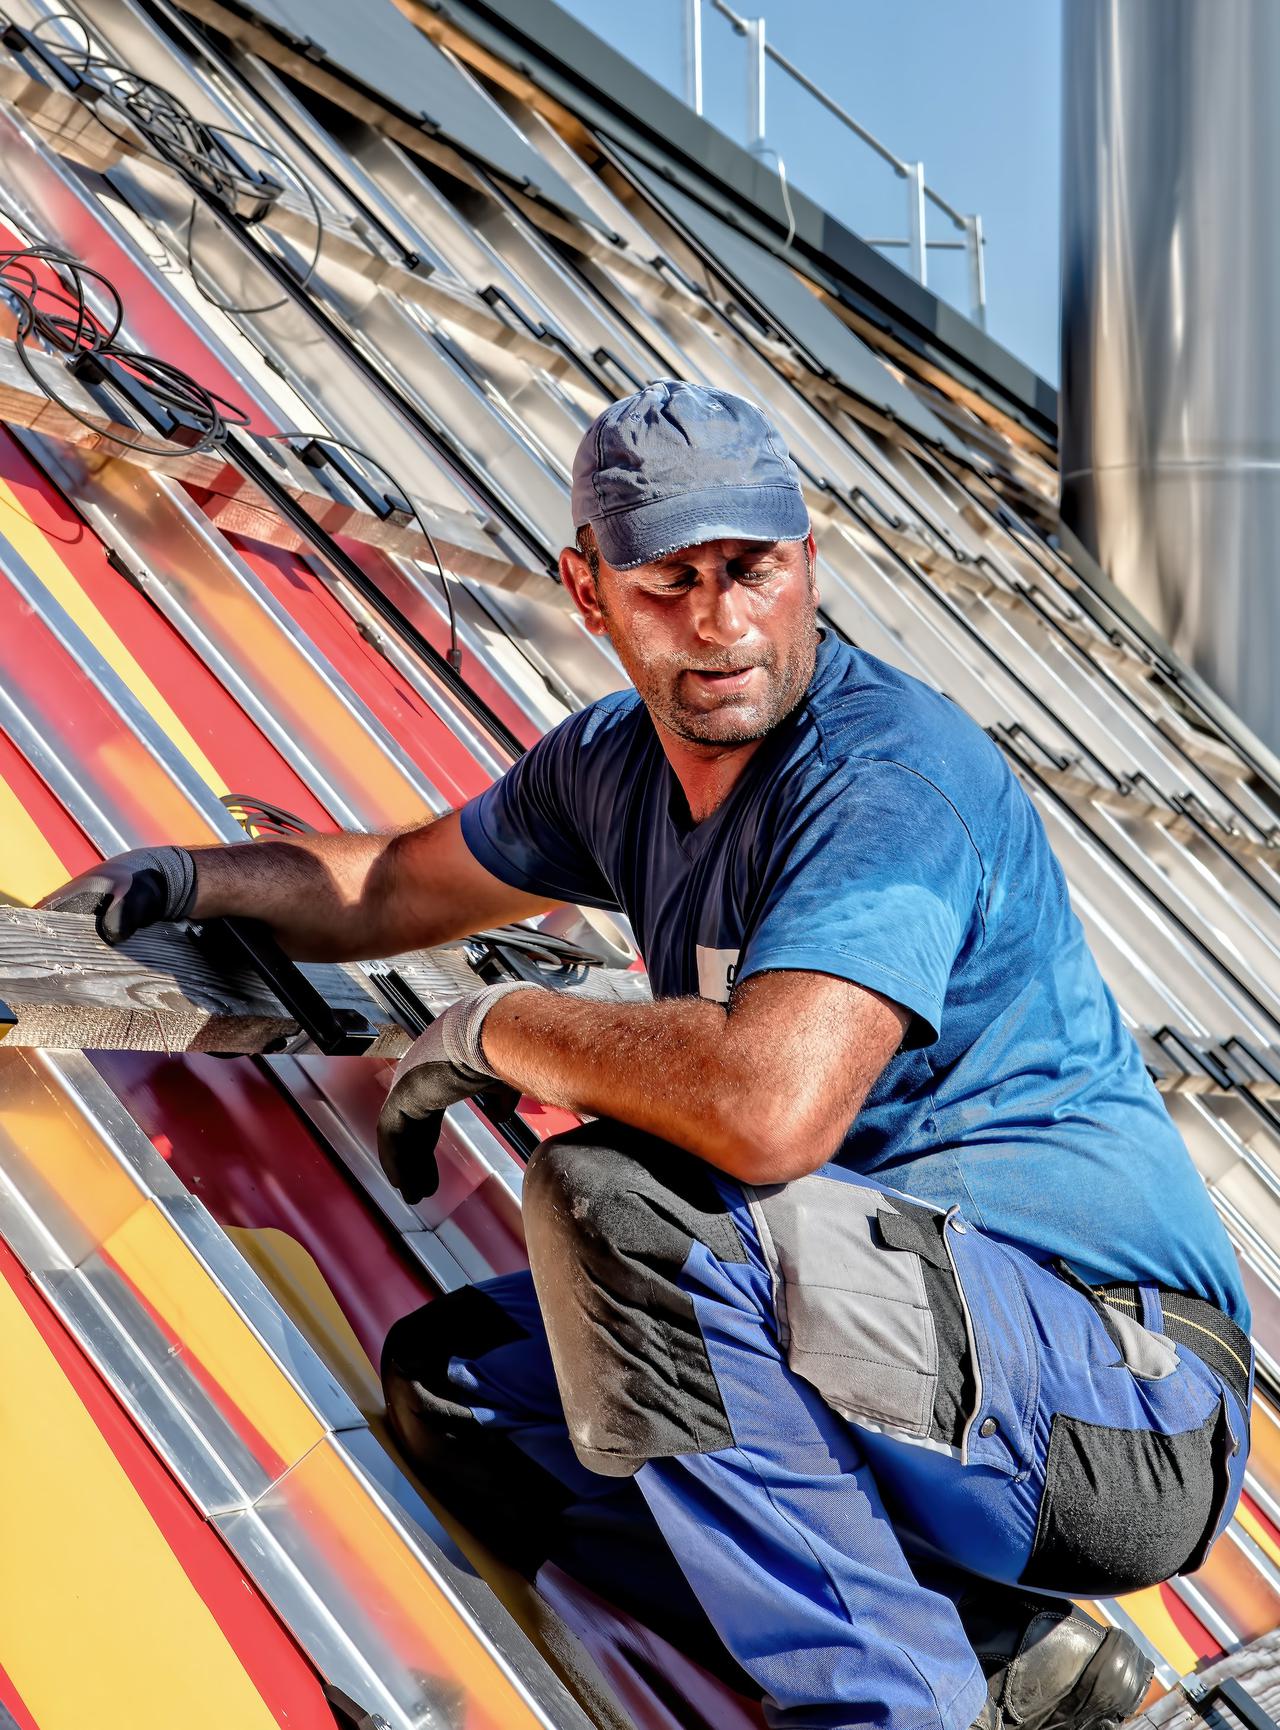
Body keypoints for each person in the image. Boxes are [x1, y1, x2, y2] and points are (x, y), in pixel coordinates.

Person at [43, 381, 1252, 1730]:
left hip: (1110, 1394)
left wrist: (501, 1029)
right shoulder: (616, 767)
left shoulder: (886, 780)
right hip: (898, 1352)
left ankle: (889, 1709)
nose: (723, 624)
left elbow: (768, 1104)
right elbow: (390, 878)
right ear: (591, 589)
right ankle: (1009, 1657)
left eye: (753, 571)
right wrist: (191, 876)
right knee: (469, 1395)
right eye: (671, 583)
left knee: (624, 1209)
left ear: (809, 560)